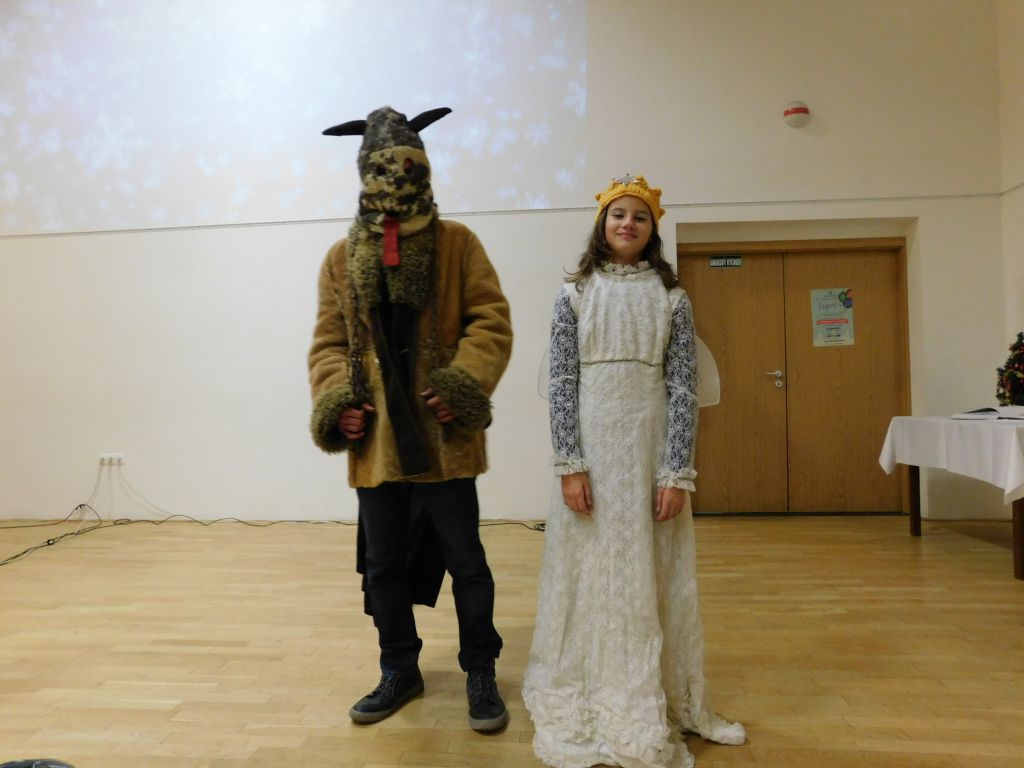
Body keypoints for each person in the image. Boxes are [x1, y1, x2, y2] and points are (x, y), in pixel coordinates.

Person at [522, 174, 745, 768]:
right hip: (594, 454)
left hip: (649, 451)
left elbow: (683, 388)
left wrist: (676, 471)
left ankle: (654, 691)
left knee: (651, 569)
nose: (628, 223)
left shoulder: (672, 298)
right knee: (590, 567)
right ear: (603, 224)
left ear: (652, 230)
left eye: (639, 217)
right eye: (618, 214)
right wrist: (570, 464)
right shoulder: (574, 294)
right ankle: (588, 682)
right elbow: (562, 382)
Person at [308, 106, 513, 732]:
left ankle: (481, 669)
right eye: (381, 168)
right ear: (363, 172)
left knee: (467, 562)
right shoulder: (340, 258)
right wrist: (338, 403)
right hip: (377, 442)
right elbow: (329, 343)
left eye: (405, 167)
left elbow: (490, 321)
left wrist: (463, 385)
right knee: (384, 566)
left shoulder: (458, 244)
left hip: (444, 437)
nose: (393, 179)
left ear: (423, 168)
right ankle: (399, 667)